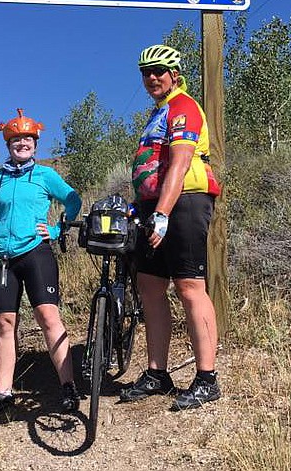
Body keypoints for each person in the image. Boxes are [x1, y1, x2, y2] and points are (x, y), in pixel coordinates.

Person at [120, 44, 222, 411]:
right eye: (145, 72)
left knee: (190, 286)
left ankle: (207, 378)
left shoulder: (183, 107)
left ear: (174, 74)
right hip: (153, 206)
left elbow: (178, 164)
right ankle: (157, 372)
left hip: (185, 202)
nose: (151, 78)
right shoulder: (157, 113)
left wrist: (161, 213)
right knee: (149, 285)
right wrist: (140, 206)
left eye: (158, 71)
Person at [0, 108, 82, 422]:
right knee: (5, 325)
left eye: (27, 139)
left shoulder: (46, 174)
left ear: (35, 144)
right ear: (8, 144)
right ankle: (3, 394)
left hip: (35, 252)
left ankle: (68, 387)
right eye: (16, 139)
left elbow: (72, 199)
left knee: (49, 316)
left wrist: (57, 230)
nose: (22, 143)